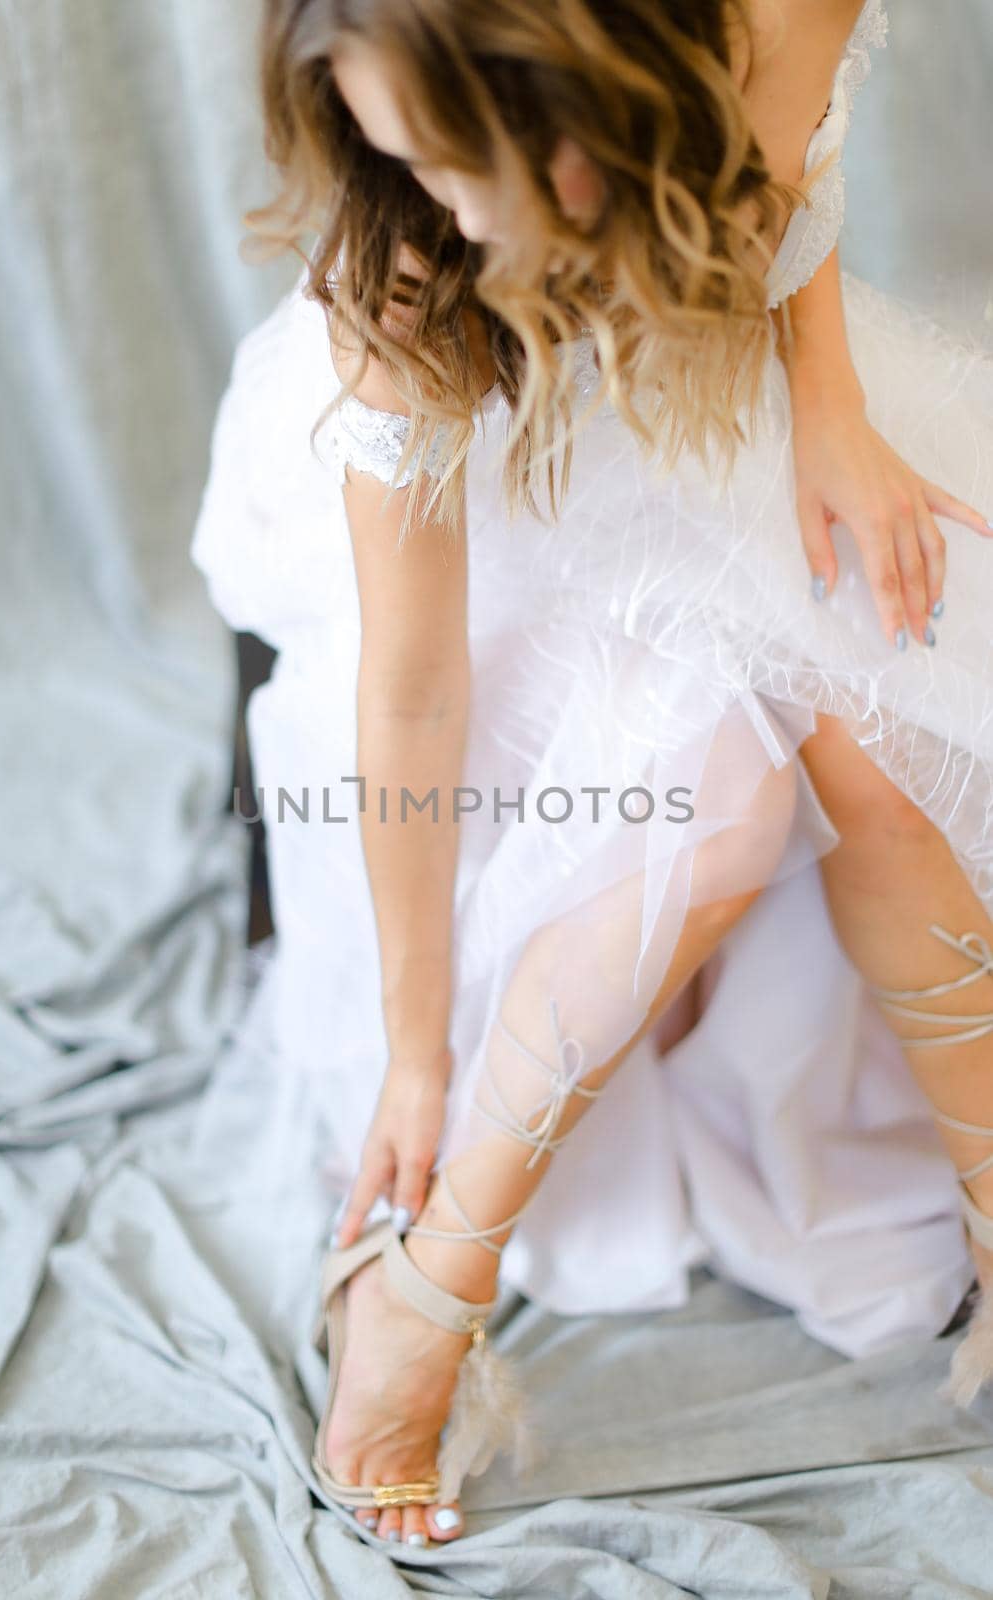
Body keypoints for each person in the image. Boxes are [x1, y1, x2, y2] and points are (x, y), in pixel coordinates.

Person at [191, 0, 993, 1549]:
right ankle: (427, 1284)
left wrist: (830, 410)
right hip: (502, 465)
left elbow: (787, 166)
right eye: (401, 150)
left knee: (887, 726)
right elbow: (415, 697)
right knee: (717, 800)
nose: (447, 203)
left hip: (703, 351)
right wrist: (416, 1050)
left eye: (471, 153)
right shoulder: (414, 256)